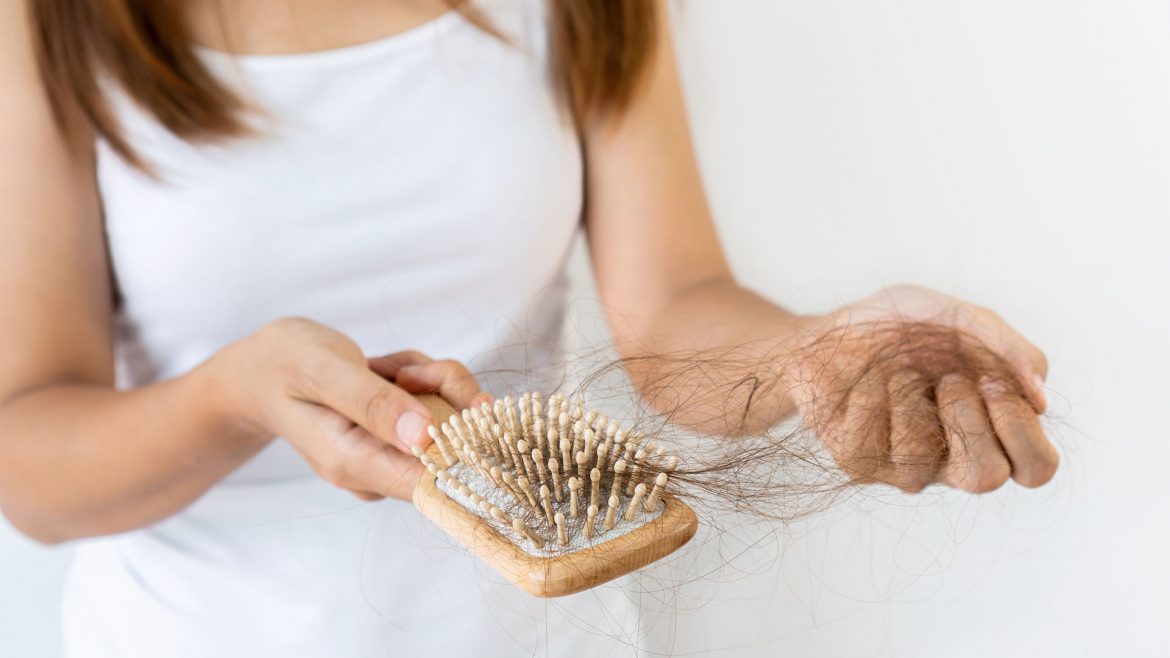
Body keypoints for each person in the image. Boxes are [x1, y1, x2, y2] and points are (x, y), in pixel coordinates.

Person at [0, 0, 1059, 655]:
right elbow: (28, 463)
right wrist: (237, 396)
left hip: (546, 641)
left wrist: (822, 347)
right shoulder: (52, 20)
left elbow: (675, 305)